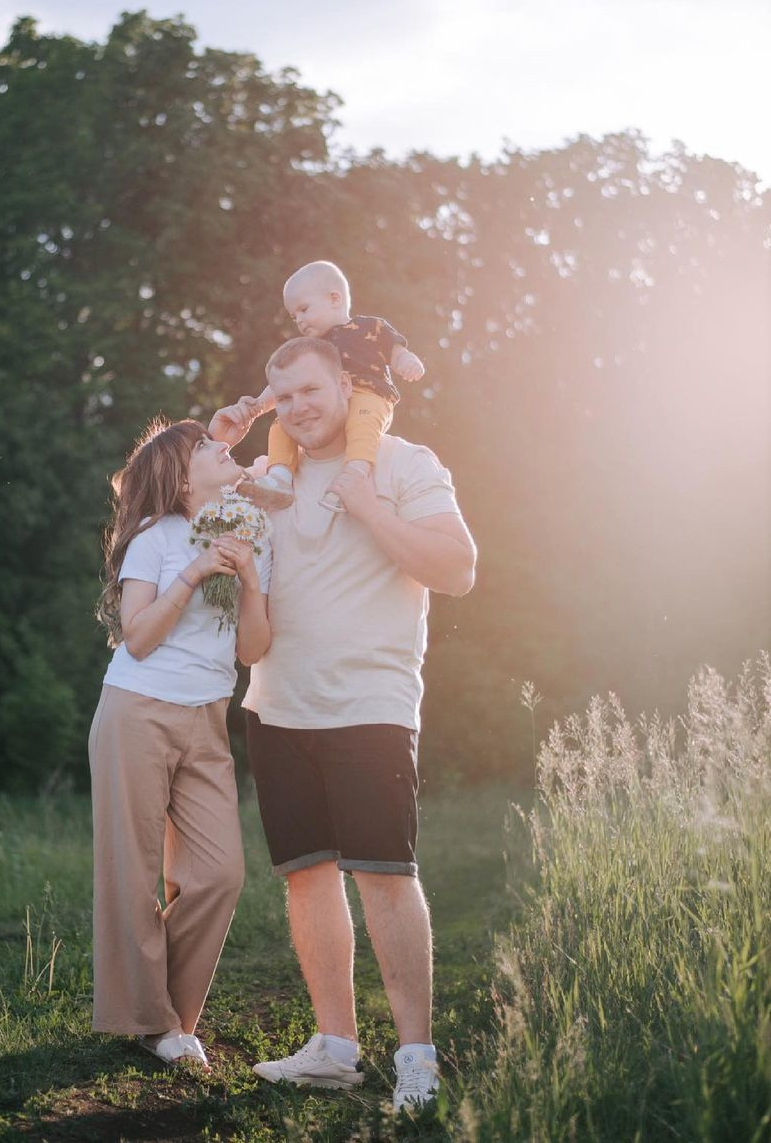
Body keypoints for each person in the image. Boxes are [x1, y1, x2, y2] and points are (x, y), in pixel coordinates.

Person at [209, 337, 476, 1114]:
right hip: (277, 704)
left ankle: (417, 1058)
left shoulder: (402, 463)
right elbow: (193, 507)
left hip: (372, 707)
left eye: (310, 391)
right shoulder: (269, 477)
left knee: (386, 879)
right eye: (282, 395)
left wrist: (367, 509)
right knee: (306, 878)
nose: (297, 406)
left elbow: (458, 569)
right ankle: (334, 1047)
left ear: (346, 384)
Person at [90, 418, 272, 1067]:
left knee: (220, 872)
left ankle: (169, 1012)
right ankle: (160, 1025)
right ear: (181, 475)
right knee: (134, 871)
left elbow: (252, 648)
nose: (222, 447)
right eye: (203, 446)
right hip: (136, 710)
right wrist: (195, 571)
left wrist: (250, 577)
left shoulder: (251, 532)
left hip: (208, 718)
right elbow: (137, 636)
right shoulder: (154, 539)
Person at [235, 260, 426, 512]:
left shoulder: (371, 327)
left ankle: (353, 477)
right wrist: (259, 405)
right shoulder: (308, 349)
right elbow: (285, 385)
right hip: (328, 403)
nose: (299, 320)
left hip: (369, 394)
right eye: (294, 316)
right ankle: (279, 477)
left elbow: (396, 351)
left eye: (304, 309)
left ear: (335, 298)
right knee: (282, 424)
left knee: (362, 423)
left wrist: (406, 361)